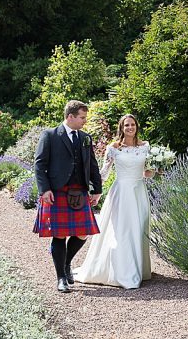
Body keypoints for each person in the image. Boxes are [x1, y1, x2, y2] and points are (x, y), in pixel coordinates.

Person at [72, 113, 154, 289]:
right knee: (122, 230)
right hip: (121, 192)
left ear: (137, 127)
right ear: (121, 128)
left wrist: (156, 170)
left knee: (138, 229)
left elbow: (146, 173)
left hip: (139, 192)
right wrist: (93, 190)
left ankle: (138, 268)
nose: (130, 128)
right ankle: (123, 272)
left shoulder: (146, 147)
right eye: (126, 125)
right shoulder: (113, 148)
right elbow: (104, 173)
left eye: (132, 124)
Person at [33, 100, 103, 293]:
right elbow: (39, 164)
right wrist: (44, 189)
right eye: (82, 117)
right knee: (60, 234)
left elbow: (92, 165)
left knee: (83, 233)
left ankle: (66, 263)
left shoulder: (85, 137)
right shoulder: (50, 135)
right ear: (70, 116)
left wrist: (97, 189)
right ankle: (61, 278)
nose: (84, 121)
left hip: (79, 190)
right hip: (57, 191)